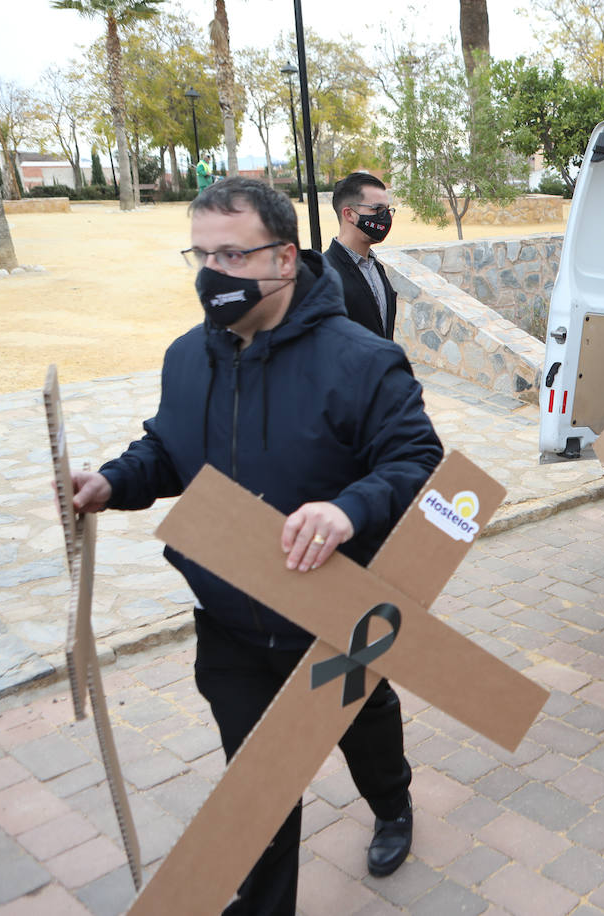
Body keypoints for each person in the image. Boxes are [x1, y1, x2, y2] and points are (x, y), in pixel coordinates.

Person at [71, 177, 443, 913]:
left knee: (365, 727)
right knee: (257, 792)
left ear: (281, 259)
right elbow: (169, 451)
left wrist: (347, 509)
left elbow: (417, 463)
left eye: (233, 255)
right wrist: (112, 483)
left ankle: (392, 803)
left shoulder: (362, 360)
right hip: (231, 621)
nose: (214, 273)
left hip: (336, 615)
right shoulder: (188, 357)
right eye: (201, 254)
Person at [325, 175, 412, 376]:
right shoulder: (324, 274)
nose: (385, 217)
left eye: (388, 211)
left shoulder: (376, 268)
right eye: (377, 210)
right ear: (349, 214)